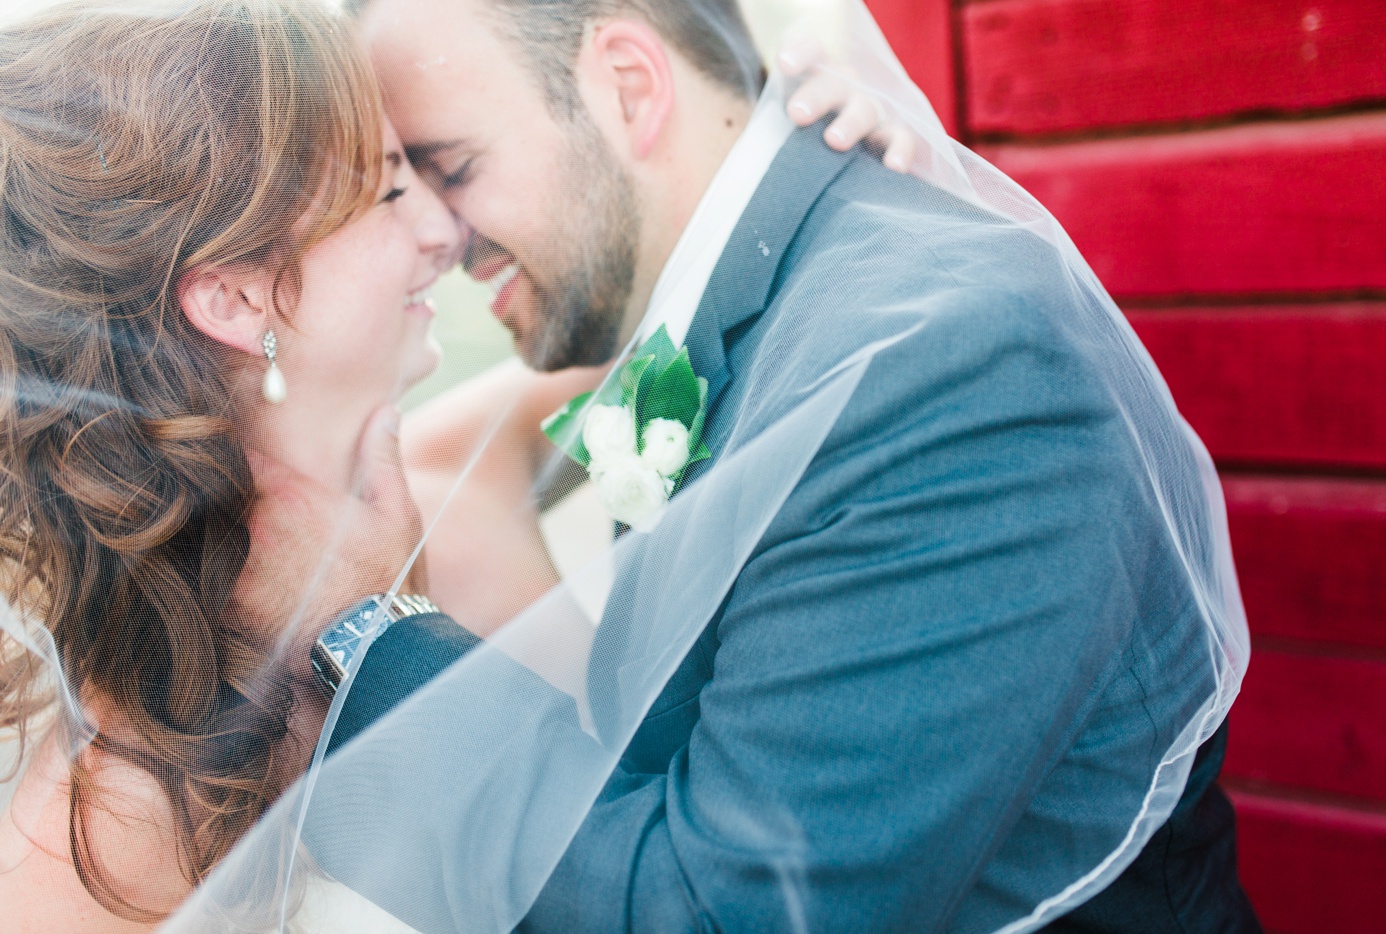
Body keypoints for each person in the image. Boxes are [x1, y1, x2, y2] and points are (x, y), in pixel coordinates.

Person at [279, 0, 1264, 931]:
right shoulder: (736, 308)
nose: (438, 237)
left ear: (628, 83)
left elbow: (724, 913)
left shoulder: (941, 371)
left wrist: (366, 627)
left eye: (451, 167)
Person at [0, 1, 893, 929]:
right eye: (394, 188)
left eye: (442, 172)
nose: (447, 227)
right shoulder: (112, 823)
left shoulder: (456, 482)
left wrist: (806, 169)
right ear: (232, 295)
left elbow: (697, 289)